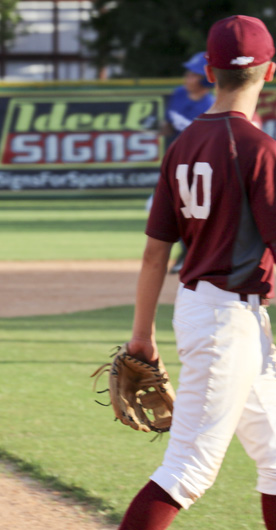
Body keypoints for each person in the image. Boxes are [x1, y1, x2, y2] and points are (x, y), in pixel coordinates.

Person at [121, 15, 276, 530]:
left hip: (212, 313)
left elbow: (154, 255)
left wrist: (142, 336)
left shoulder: (182, 145)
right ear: (270, 72)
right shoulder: (260, 149)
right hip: (226, 322)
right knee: (187, 470)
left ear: (209, 72)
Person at [157, 51, 216, 274]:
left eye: (193, 74)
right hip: (173, 165)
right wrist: (161, 127)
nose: (187, 78)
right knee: (167, 211)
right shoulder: (178, 94)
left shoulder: (210, 106)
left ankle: (190, 255)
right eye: (188, 73)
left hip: (196, 168)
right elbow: (169, 125)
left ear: (206, 79)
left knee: (188, 213)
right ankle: (187, 255)